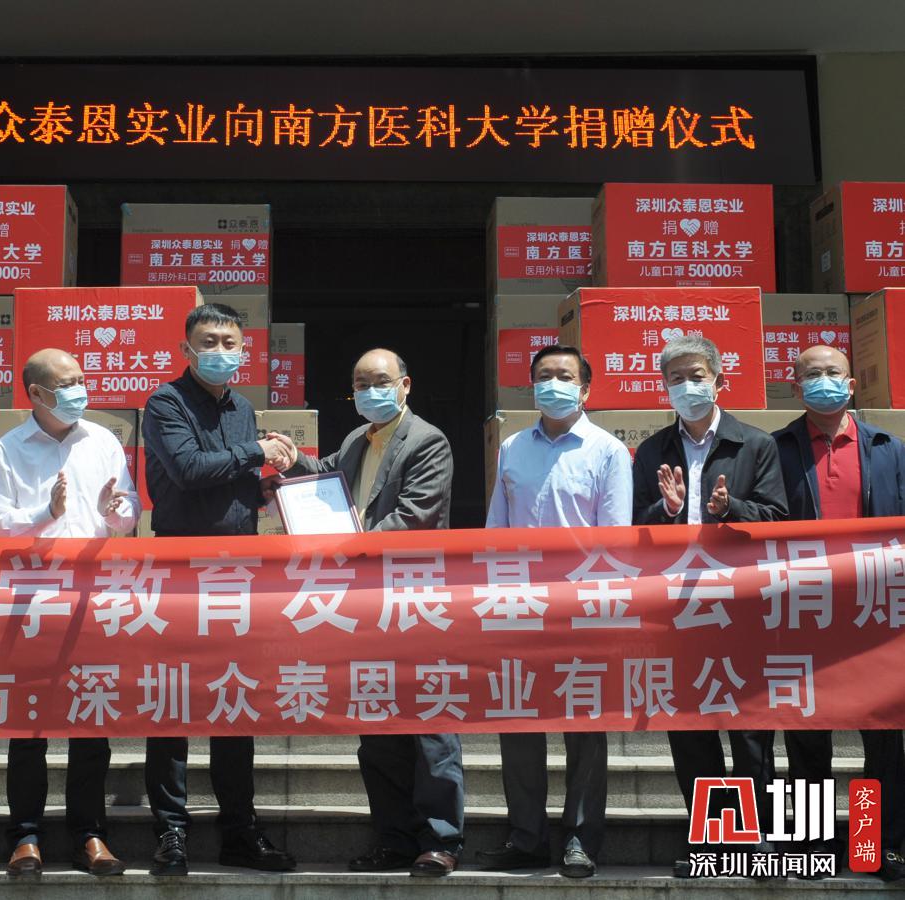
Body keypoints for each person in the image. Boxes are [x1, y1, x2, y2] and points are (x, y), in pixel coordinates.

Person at [285, 348, 464, 877]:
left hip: (414, 599)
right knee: (378, 720)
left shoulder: (427, 440)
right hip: (365, 603)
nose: (370, 392)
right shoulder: (355, 441)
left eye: (380, 381)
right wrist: (290, 460)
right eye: (360, 384)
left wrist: (345, 544)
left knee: (429, 720)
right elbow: (325, 476)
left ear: (405, 385)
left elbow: (414, 517)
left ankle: (440, 839)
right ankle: (392, 838)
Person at [140, 303, 297, 876]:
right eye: (208, 341)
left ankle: (240, 831)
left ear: (243, 350)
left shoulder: (244, 408)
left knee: (236, 699)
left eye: (230, 343)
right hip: (180, 570)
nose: (220, 351)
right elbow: (187, 470)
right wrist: (257, 452)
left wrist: (267, 489)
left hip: (236, 571)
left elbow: (232, 482)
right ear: (186, 348)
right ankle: (171, 830)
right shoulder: (164, 402)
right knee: (172, 701)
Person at [630, 335, 787, 878]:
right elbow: (634, 530)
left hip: (741, 603)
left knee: (750, 728)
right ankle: (715, 842)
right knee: (691, 728)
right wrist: (668, 510)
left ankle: (759, 840)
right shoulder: (653, 451)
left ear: (720, 381)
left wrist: (730, 508)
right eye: (675, 378)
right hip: (679, 607)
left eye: (696, 376)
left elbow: (778, 519)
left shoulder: (755, 444)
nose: (687, 387)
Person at [0, 348, 140, 878]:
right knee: (28, 726)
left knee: (91, 721)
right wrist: (44, 512)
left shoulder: (103, 441)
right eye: (66, 383)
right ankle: (25, 836)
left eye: (81, 379)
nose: (79, 390)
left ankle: (89, 834)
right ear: (37, 393)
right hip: (30, 601)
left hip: (91, 599)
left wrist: (117, 512)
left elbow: (128, 511)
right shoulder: (8, 449)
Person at [477, 345, 630, 879]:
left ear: (585, 389)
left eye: (565, 376)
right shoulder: (513, 446)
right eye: (544, 376)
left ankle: (581, 839)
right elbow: (498, 529)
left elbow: (615, 540)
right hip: (520, 606)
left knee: (584, 727)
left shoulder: (607, 451)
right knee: (519, 721)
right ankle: (526, 837)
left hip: (582, 609)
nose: (554, 384)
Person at [772, 344, 905, 883]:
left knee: (883, 738)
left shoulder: (888, 450)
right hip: (802, 610)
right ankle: (812, 846)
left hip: (875, 614)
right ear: (795, 385)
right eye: (812, 373)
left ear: (851, 384)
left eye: (833, 372)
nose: (823, 380)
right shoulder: (775, 449)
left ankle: (878, 845)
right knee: (807, 736)